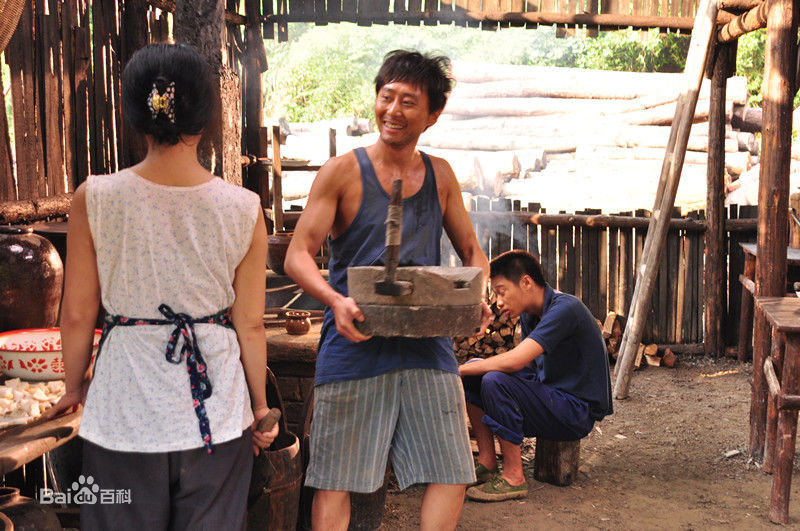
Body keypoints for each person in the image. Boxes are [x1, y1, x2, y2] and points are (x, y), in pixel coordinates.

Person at [47, 43, 278, 529]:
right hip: (217, 416)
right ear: (207, 115)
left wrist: (72, 386)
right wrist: (259, 407)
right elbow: (251, 325)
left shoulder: (96, 197)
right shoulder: (243, 207)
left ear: (134, 113)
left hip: (122, 412)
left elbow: (77, 313)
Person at [284, 49, 491, 530]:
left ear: (433, 114)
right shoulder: (342, 172)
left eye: (409, 102)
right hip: (354, 347)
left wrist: (474, 292)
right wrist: (335, 299)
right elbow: (298, 253)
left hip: (426, 348)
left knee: (453, 470)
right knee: (335, 479)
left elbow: (472, 252)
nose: (393, 111)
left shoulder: (440, 176)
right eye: (387, 97)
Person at [460, 249, 613, 502]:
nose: (498, 301)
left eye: (501, 291)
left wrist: (457, 369)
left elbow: (517, 359)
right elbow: (528, 367)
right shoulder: (532, 314)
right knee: (478, 369)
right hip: (552, 397)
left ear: (526, 282)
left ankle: (514, 477)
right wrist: (469, 370)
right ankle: (487, 463)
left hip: (575, 410)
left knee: (493, 379)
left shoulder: (566, 309)